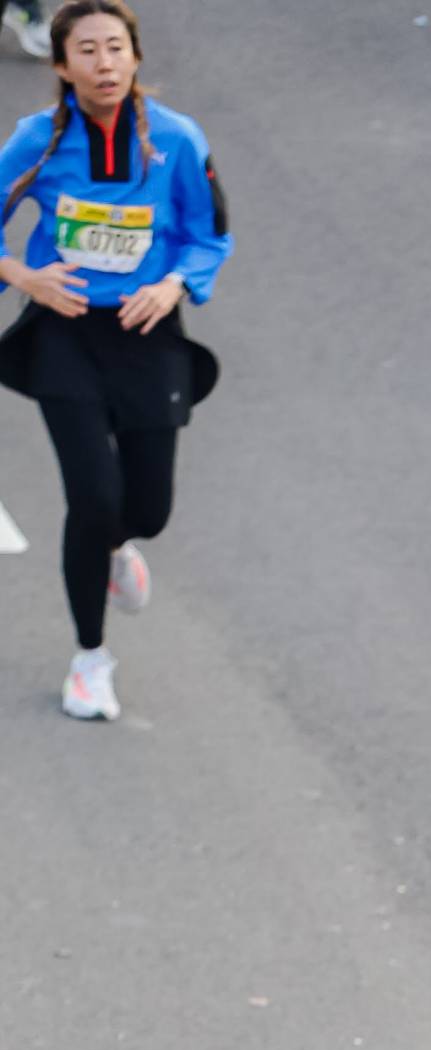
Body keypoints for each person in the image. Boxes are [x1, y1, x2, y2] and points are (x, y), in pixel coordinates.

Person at [0, 0, 230, 721]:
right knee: (92, 499)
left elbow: (208, 234)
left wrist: (173, 284)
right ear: (62, 65)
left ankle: (118, 546)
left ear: (135, 56)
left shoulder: (177, 139)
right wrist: (24, 276)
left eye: (115, 48)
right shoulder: (36, 141)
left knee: (147, 510)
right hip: (65, 331)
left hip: (146, 332)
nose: (105, 63)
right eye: (88, 51)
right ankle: (90, 660)